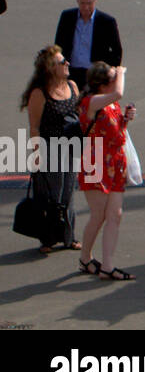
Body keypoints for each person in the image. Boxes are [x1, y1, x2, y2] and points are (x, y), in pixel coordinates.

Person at [20, 46, 82, 255]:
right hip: (50, 150)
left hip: (71, 148)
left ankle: (68, 237)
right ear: (50, 68)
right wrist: (36, 154)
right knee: (50, 195)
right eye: (61, 61)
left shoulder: (72, 87)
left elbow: (80, 116)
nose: (67, 64)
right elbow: (35, 126)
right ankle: (47, 238)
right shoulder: (40, 93)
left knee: (68, 193)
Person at [78, 61, 136, 280]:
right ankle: (85, 258)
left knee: (115, 215)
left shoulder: (111, 104)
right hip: (96, 163)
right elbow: (119, 93)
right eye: (112, 78)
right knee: (99, 214)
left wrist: (126, 120)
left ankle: (108, 265)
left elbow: (115, 130)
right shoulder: (91, 102)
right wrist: (121, 72)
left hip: (115, 162)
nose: (116, 81)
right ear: (103, 84)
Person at [54, 0, 124, 92]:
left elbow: (117, 51)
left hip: (94, 75)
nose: (86, 7)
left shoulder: (107, 22)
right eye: (82, 3)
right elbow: (58, 45)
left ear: (95, 1)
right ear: (77, 1)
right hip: (71, 71)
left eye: (89, 3)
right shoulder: (67, 17)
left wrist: (109, 73)